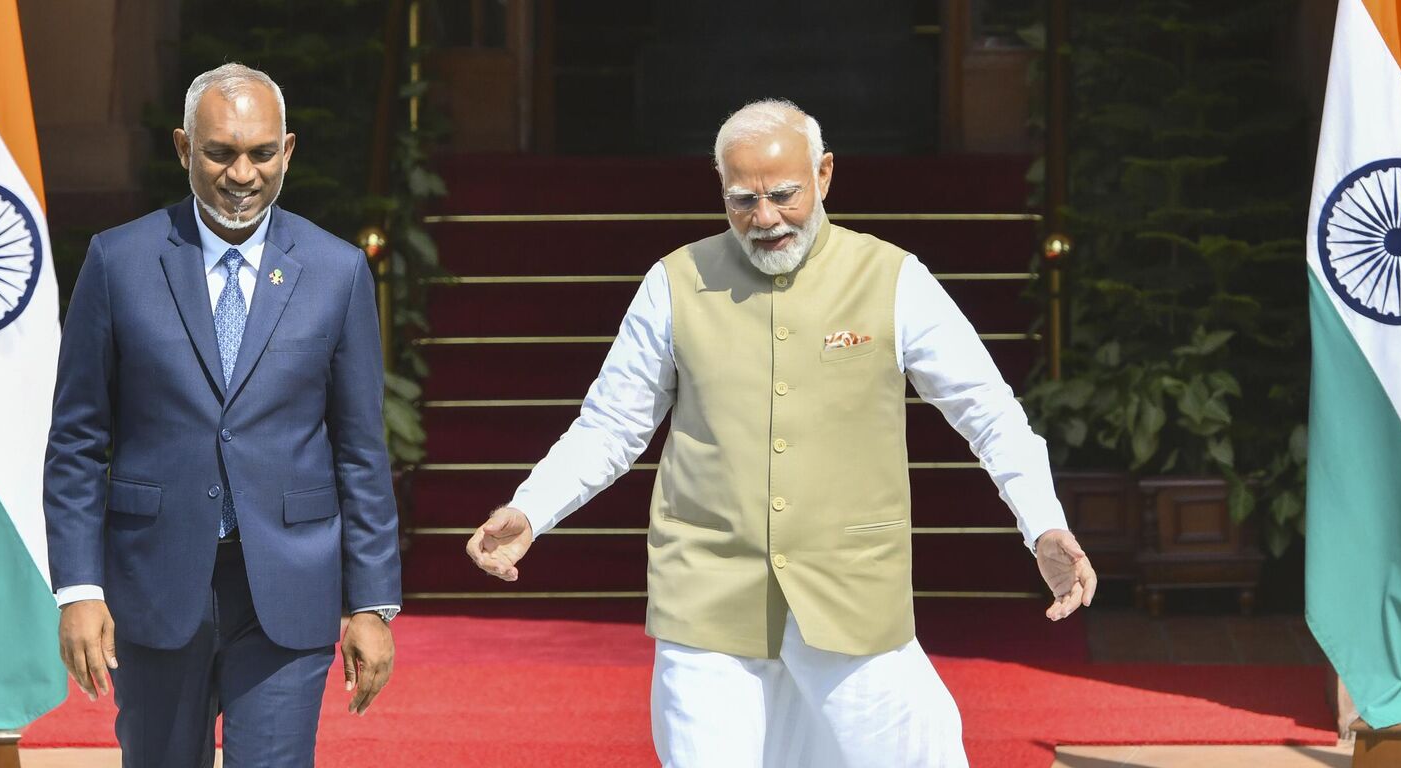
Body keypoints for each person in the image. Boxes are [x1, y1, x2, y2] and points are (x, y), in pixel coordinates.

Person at [466, 99, 1097, 767]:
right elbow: (612, 425)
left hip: (853, 589)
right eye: (743, 200)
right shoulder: (673, 285)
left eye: (784, 195)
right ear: (720, 189)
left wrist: (1044, 523)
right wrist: (532, 508)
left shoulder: (892, 278)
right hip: (707, 596)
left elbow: (989, 411)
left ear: (824, 175)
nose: (764, 218)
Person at [45, 62, 401, 766]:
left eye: (262, 153)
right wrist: (78, 589)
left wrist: (372, 603)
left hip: (288, 585)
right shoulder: (119, 261)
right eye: (220, 153)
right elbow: (78, 441)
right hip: (154, 584)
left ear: (288, 150)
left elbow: (360, 450)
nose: (243, 174)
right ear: (183, 148)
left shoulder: (337, 271)